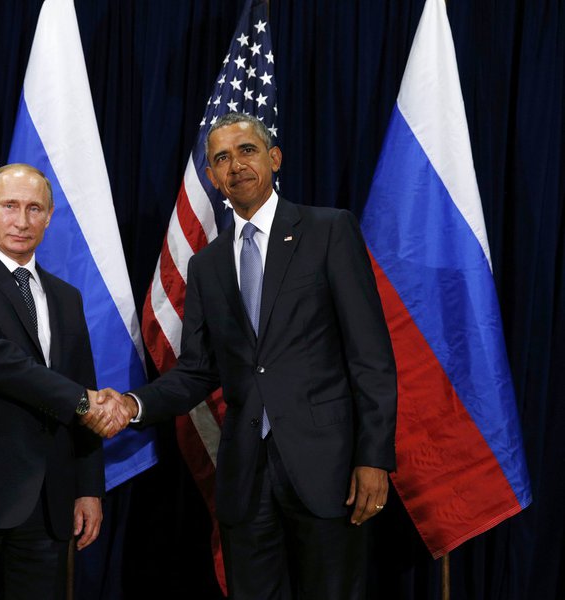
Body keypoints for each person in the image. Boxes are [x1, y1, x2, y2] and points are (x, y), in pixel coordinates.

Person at [102, 113, 397, 599]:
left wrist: (374, 458)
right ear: (213, 178)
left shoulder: (328, 230)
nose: (235, 165)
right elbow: (197, 370)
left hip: (329, 469)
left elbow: (371, 356)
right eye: (221, 158)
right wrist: (133, 406)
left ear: (273, 158)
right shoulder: (207, 265)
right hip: (246, 477)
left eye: (246, 151)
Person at [0, 163, 129, 600]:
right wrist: (84, 402)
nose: (22, 220)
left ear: (49, 216)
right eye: (10, 206)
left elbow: (81, 383)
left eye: (34, 208)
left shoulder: (67, 297)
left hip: (47, 503)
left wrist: (88, 488)